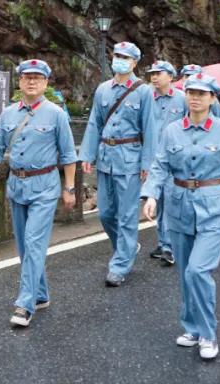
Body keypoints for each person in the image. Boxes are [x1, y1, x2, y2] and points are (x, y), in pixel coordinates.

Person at [141, 74, 220, 361]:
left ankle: (208, 332)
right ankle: (191, 326)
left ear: (213, 98)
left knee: (197, 270)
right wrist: (151, 195)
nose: (195, 97)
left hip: (214, 209)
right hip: (180, 208)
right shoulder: (172, 131)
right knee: (184, 272)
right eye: (191, 92)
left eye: (202, 93)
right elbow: (160, 165)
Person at [0, 59, 78, 327]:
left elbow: (68, 155)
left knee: (34, 243)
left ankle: (24, 305)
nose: (32, 81)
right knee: (25, 247)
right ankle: (40, 294)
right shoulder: (8, 114)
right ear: (20, 82)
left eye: (37, 77)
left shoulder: (56, 114)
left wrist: (69, 188)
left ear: (46, 82)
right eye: (27, 77)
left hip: (44, 187)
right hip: (17, 186)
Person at [80, 41, 160, 286]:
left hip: (130, 159)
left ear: (134, 63)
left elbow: (150, 129)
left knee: (126, 216)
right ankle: (126, 247)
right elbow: (94, 123)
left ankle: (120, 264)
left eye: (126, 57)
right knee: (105, 213)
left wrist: (147, 164)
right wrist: (87, 154)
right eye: (117, 55)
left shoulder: (143, 91)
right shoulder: (103, 89)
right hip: (106, 158)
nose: (120, 60)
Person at [146, 60, 186, 265]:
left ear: (170, 77)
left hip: (174, 159)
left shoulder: (182, 99)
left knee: (171, 202)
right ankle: (163, 242)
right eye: (152, 74)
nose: (154, 77)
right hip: (153, 159)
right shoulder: (146, 98)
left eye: (158, 73)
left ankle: (170, 246)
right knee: (158, 201)